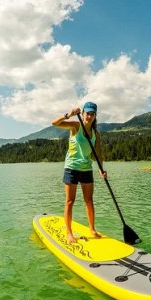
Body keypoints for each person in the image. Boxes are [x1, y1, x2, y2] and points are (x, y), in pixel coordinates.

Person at [52, 102, 107, 243]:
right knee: (70, 201)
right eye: (87, 113)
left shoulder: (96, 134)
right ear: (82, 114)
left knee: (89, 201)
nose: (89, 116)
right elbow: (55, 123)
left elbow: (99, 154)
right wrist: (69, 114)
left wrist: (102, 169)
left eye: (92, 114)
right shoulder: (76, 127)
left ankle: (92, 229)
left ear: (95, 116)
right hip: (71, 168)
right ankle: (69, 233)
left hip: (86, 169)